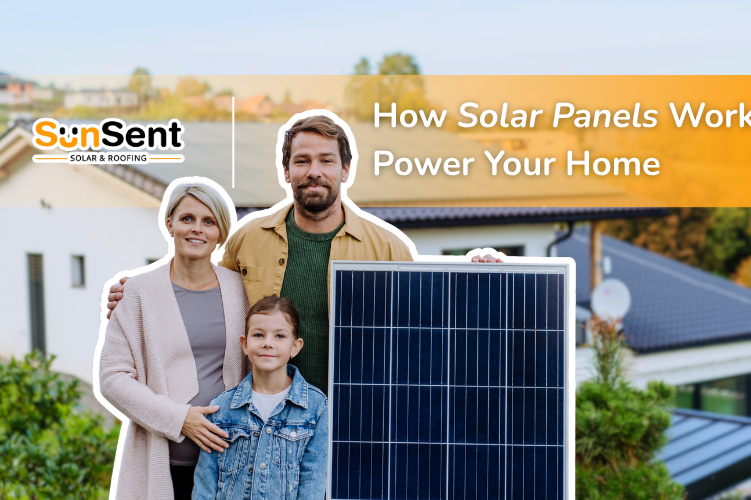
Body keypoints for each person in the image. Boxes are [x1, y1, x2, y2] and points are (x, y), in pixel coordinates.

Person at [107, 113, 500, 395]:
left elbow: (424, 329)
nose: (315, 171)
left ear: (345, 170)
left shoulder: (388, 248)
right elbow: (206, 298)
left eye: (326, 160)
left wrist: (482, 275)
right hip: (262, 426)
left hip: (356, 421)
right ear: (285, 171)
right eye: (302, 161)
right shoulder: (248, 239)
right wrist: (142, 296)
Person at [99, 182, 250, 500]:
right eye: (187, 219)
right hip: (165, 463)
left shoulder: (241, 289)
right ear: (169, 224)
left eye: (209, 222)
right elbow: (112, 379)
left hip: (231, 463)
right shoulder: (136, 292)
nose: (197, 229)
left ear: (220, 232)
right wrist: (180, 419)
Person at [192, 295, 327, 500]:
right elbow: (205, 485)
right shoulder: (221, 408)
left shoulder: (316, 408)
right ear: (245, 344)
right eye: (258, 335)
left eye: (280, 336)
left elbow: (313, 483)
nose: (268, 343)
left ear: (295, 346)